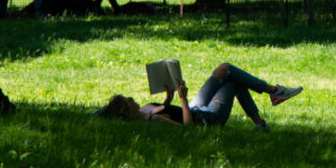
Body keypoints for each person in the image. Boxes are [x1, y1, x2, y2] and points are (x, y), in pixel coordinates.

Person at [96, 62, 303, 131]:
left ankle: (263, 119)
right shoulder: (152, 119)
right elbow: (187, 128)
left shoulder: (145, 109)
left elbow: (168, 108)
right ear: (127, 110)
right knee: (232, 79)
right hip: (206, 118)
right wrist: (183, 99)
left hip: (196, 107)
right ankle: (274, 94)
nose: (133, 99)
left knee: (224, 70)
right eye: (129, 101)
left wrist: (169, 97)